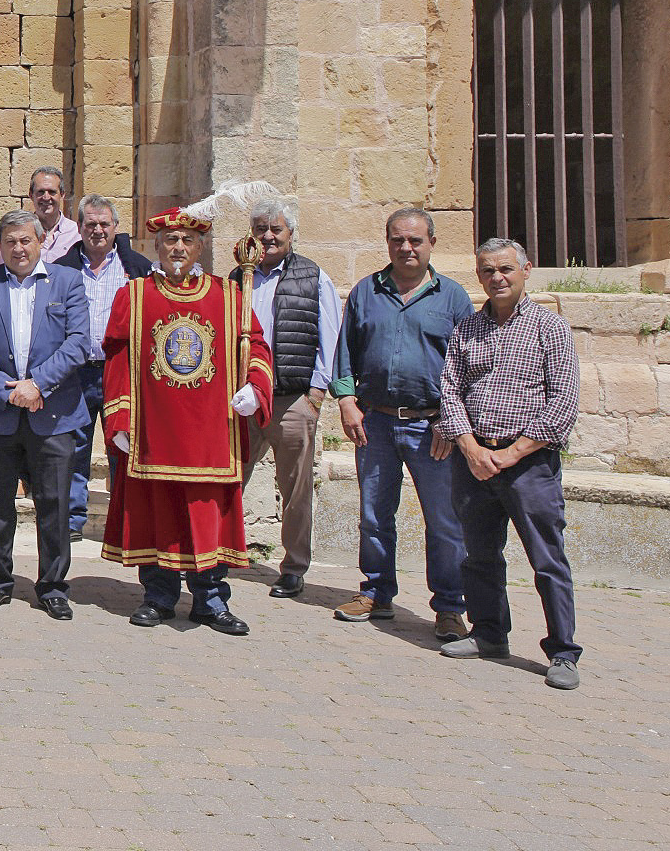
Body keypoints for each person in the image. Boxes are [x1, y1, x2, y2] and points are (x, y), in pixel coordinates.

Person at [101, 206, 273, 635]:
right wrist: (120, 417)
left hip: (211, 433)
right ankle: (158, 597)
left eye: (187, 241)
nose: (178, 248)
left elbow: (256, 348)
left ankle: (211, 600)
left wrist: (255, 386)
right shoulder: (134, 296)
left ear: (200, 248)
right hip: (155, 432)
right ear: (157, 246)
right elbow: (117, 363)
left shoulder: (230, 296)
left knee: (207, 516)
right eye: (170, 241)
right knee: (158, 514)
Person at [434, 238, 582, 690]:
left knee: (547, 560)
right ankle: (489, 633)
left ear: (526, 270)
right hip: (474, 460)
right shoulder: (468, 329)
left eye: (505, 269)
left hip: (529, 465)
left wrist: (511, 452)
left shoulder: (549, 329)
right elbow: (450, 390)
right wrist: (471, 447)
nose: (497, 278)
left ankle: (562, 652)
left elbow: (563, 404)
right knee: (478, 555)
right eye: (487, 271)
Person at [329, 208, 475, 637]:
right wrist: (346, 401)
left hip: (433, 428)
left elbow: (468, 366)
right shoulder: (365, 292)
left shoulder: (453, 298)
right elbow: (345, 353)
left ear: (432, 243)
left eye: (415, 241)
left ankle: (449, 606)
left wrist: (452, 421)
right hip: (375, 422)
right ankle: (375, 592)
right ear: (388, 242)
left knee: (445, 520)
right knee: (374, 515)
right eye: (398, 240)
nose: (406, 248)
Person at [0, 209, 96, 615]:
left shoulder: (68, 281)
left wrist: (38, 384)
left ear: (40, 242)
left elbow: (77, 342)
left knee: (53, 505)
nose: (18, 248)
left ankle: (52, 585)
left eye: (26, 241)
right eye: (10, 241)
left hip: (53, 413)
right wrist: (9, 392)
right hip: (0, 413)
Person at [229, 199, 340, 599]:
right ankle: (223, 551)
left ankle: (293, 566)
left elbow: (330, 336)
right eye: (261, 229)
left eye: (276, 229)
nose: (268, 237)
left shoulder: (312, 277)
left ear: (291, 233)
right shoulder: (236, 278)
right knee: (228, 477)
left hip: (292, 398)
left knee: (295, 486)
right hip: (243, 399)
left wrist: (316, 393)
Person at [56, 194, 151, 540]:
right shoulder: (62, 269)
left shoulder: (136, 269)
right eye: (90, 224)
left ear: (115, 228)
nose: (97, 230)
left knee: (121, 444)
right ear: (79, 227)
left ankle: (123, 518)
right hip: (76, 372)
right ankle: (72, 519)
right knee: (75, 445)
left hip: (118, 371)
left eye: (104, 224)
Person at [28, 166, 80, 263]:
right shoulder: (23, 231)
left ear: (62, 194)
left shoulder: (77, 233)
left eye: (52, 192)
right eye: (41, 192)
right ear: (31, 195)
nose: (46, 197)